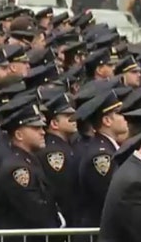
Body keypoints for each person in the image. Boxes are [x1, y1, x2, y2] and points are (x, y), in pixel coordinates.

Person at [0, 103, 63, 241]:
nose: (43, 132)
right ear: (19, 135)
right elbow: (35, 211)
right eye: (35, 128)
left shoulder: (29, 160)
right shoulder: (18, 168)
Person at [74, 90, 127, 227]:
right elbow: (109, 195)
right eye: (119, 113)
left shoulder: (109, 148)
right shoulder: (101, 155)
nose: (124, 117)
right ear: (107, 120)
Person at [38, 93, 80, 226]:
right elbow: (62, 190)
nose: (74, 119)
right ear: (55, 123)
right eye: (68, 117)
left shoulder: (64, 145)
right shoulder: (54, 152)